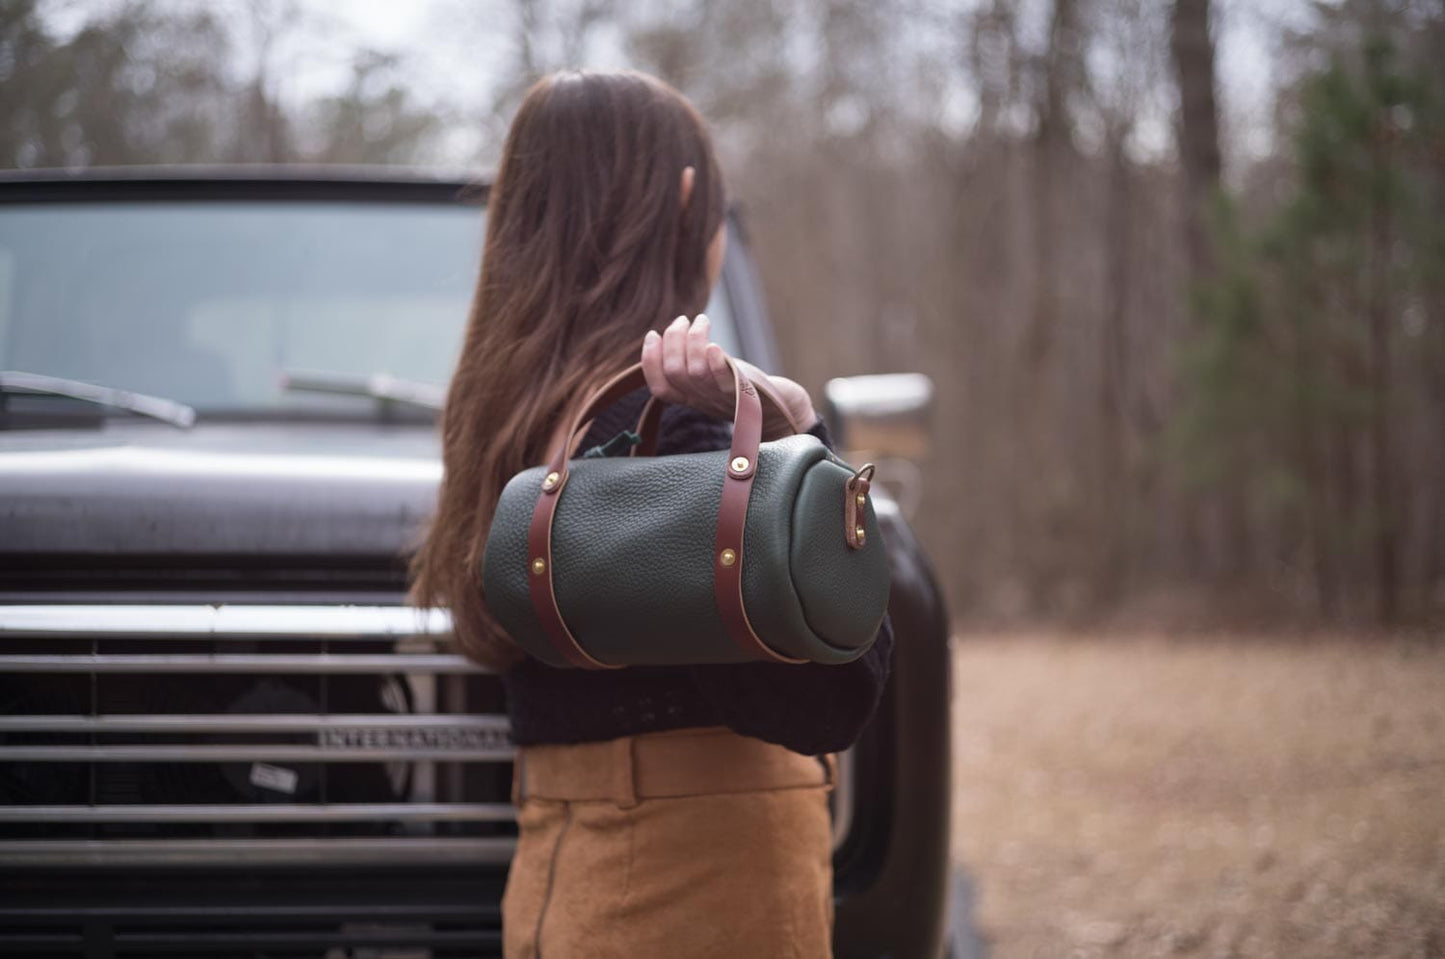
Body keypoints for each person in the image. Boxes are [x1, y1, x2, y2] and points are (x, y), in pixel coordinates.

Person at [408, 69, 894, 959]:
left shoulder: (507, 421)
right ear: (683, 201)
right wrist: (800, 435)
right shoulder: (676, 436)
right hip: (699, 887)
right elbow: (835, 694)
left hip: (568, 877)